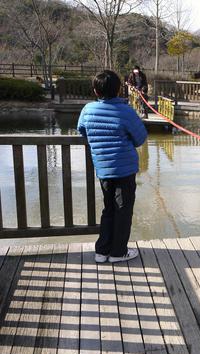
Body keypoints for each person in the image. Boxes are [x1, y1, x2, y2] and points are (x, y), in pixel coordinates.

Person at [78, 70, 147, 263]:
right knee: (123, 210)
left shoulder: (88, 110)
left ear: (95, 91)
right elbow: (140, 138)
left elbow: (82, 130)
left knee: (108, 209)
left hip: (103, 168)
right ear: (119, 89)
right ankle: (118, 252)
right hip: (124, 169)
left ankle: (102, 251)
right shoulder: (126, 111)